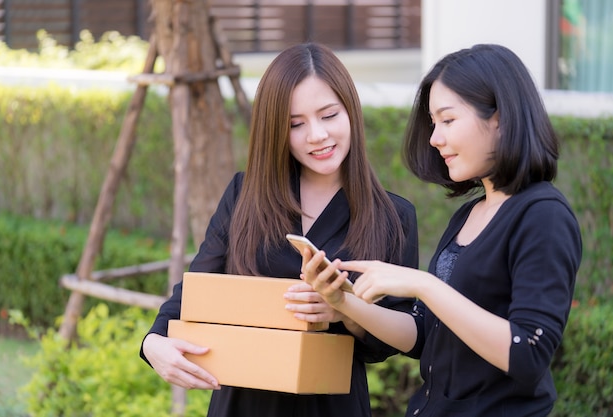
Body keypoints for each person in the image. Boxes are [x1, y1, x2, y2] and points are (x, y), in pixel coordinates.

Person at [300, 44, 582, 417]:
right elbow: (422, 335)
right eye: (433, 124)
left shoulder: (543, 214)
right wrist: (343, 303)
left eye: (447, 121)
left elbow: (528, 352)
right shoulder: (470, 214)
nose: (434, 138)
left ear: (500, 117)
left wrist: (423, 285)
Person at [140, 42, 419, 417]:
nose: (317, 135)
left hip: (332, 407)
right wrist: (154, 341)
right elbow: (198, 288)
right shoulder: (245, 194)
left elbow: (392, 342)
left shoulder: (392, 216)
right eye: (295, 124)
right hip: (242, 403)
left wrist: (342, 309)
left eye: (329, 115)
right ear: (276, 131)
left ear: (351, 110)